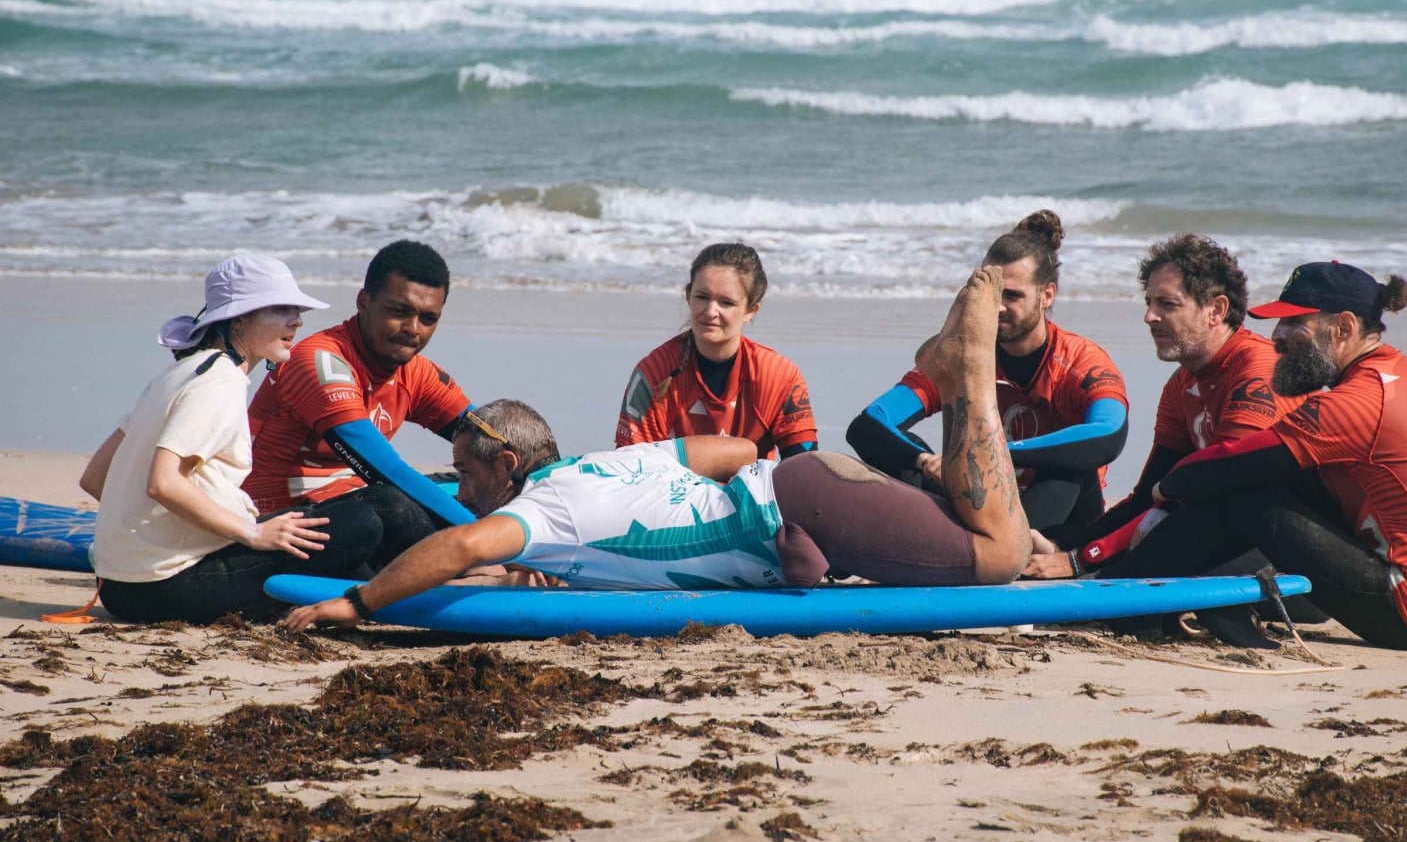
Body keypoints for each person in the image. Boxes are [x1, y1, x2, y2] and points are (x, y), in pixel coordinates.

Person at [283, 266, 1033, 630]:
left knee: (1003, 555)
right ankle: (950, 367)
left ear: (508, 466)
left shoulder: (549, 509)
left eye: (468, 474)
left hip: (812, 504)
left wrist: (358, 602)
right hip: (807, 492)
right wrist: (766, 520)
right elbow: (732, 446)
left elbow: (459, 547)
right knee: (985, 535)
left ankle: (964, 367)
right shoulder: (596, 470)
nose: (462, 486)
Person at [1069, 262, 1407, 652]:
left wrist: (1167, 487)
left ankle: (1126, 598)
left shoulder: (1358, 402)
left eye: (1293, 323)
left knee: (1244, 490)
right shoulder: (1404, 379)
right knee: (1271, 479)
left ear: (1343, 327)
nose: (1276, 337)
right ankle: (1159, 591)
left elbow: (1231, 464)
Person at [79, 255, 383, 624]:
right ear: (238, 319)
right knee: (363, 523)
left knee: (331, 533)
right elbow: (162, 482)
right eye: (281, 309)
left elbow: (95, 477)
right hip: (160, 588)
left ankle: (374, 594)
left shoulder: (178, 372)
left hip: (118, 582)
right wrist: (250, 533)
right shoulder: (219, 382)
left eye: (297, 310)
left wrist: (156, 538)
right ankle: (395, 600)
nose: (298, 320)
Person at [1026, 234, 1305, 577]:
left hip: (1286, 556)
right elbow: (1148, 496)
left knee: (1157, 540)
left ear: (1215, 310)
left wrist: (1081, 559)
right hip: (1218, 532)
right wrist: (1064, 544)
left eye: (1167, 305)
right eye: (1149, 302)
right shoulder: (1181, 384)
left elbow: (1220, 488)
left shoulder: (1259, 367)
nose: (1149, 317)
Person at [847, 211, 1127, 532]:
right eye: (992, 295)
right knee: (900, 452)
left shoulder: (1080, 361)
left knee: (1070, 464)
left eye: (1012, 295)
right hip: (981, 503)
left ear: (1046, 295)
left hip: (1056, 517)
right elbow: (869, 423)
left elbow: (1109, 434)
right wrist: (926, 462)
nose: (998, 307)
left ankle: (1002, 547)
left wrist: (989, 453)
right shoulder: (961, 357)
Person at [244, 240, 477, 570]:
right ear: (364, 301)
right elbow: (386, 471)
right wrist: (489, 539)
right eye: (398, 312)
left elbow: (492, 441)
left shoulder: (415, 371)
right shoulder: (319, 360)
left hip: (351, 509)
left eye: (427, 319)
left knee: (461, 485)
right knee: (392, 505)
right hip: (280, 524)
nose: (413, 330)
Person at [615, 242, 817, 460]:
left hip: (750, 493)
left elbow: (804, 468)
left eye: (726, 302)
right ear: (688, 295)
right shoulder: (655, 372)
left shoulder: (778, 376)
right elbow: (628, 467)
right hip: (672, 492)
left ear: (750, 310)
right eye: (702, 297)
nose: (710, 311)